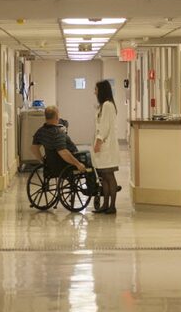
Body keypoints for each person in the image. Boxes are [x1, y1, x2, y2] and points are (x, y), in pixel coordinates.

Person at [30, 106, 87, 174]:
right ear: (57, 117)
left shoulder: (40, 131)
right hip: (66, 164)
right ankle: (93, 184)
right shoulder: (58, 132)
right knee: (88, 156)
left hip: (51, 164)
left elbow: (34, 148)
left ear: (45, 117)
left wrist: (43, 161)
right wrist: (78, 164)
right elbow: (63, 152)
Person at [93, 80, 120, 215]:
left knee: (109, 175)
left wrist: (98, 141)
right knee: (103, 176)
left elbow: (105, 127)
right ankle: (105, 204)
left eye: (96, 89)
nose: (94, 92)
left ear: (102, 91)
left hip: (107, 146)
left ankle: (112, 206)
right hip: (103, 144)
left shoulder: (108, 105)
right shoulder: (102, 106)